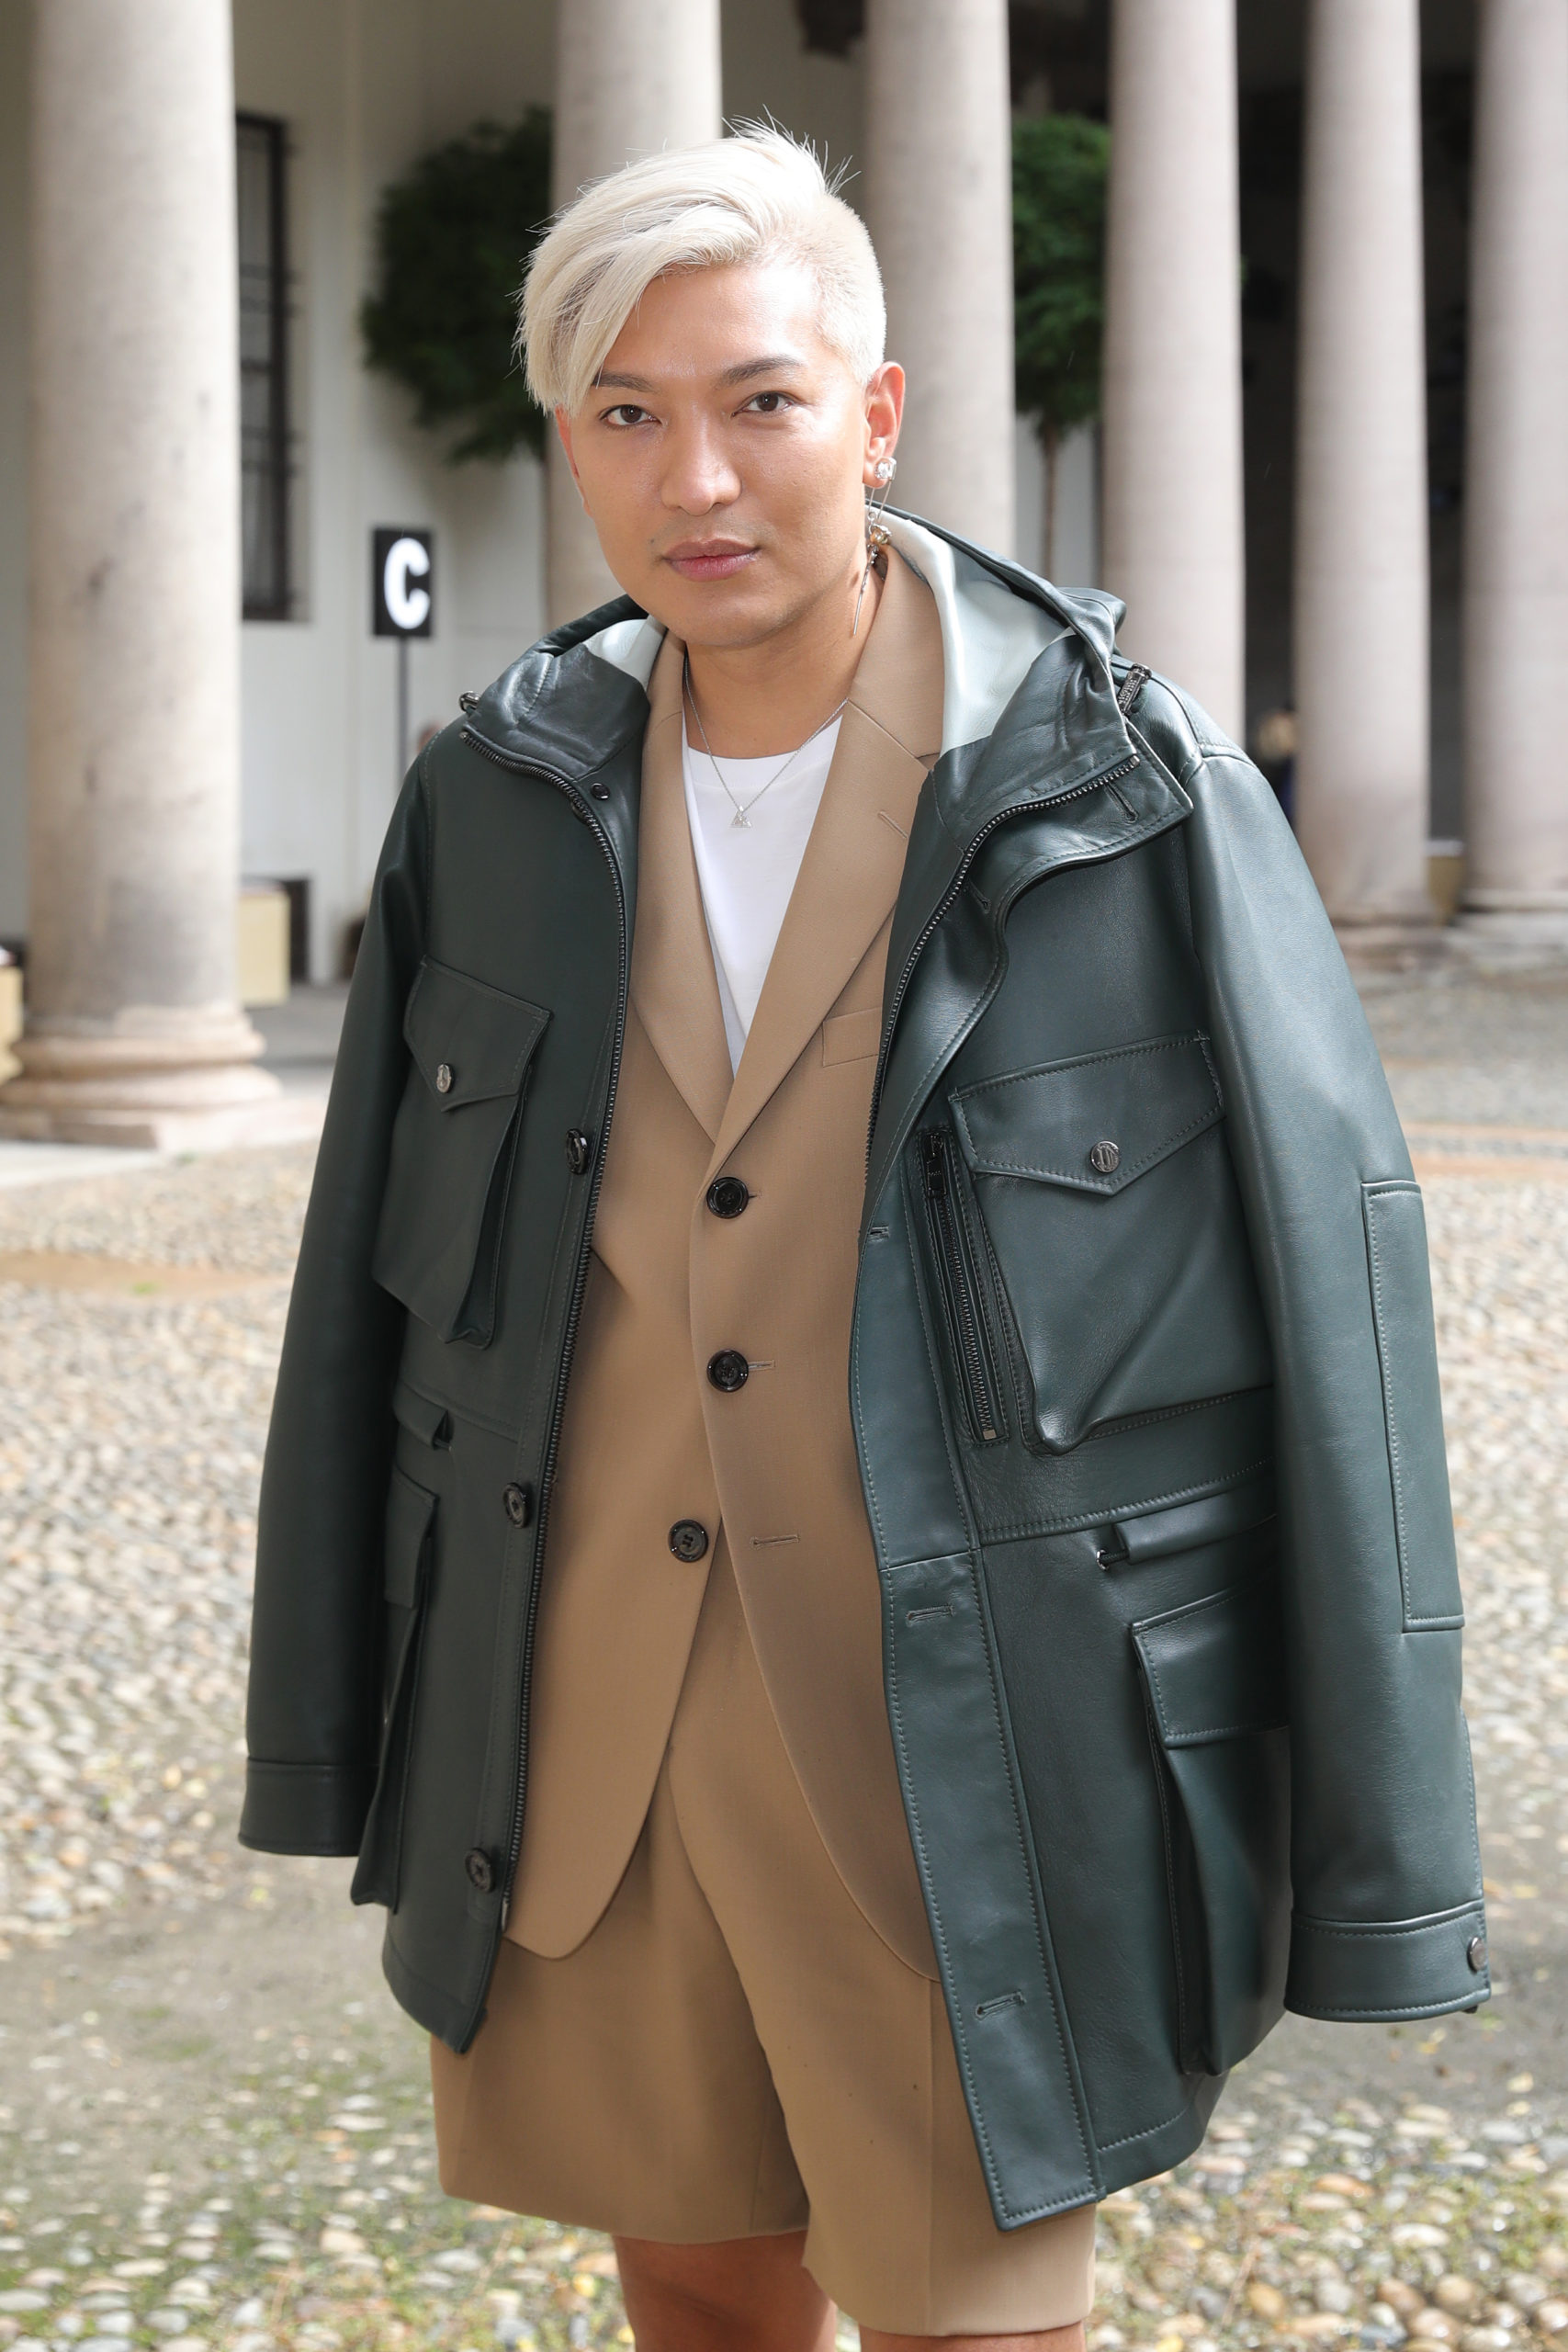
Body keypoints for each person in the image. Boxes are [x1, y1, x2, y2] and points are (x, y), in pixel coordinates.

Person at [240, 129, 1487, 2352]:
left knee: (972, 2323)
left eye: (759, 401)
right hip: (581, 1724)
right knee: (693, 2294)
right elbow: (365, 1299)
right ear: (570, 446)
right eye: (626, 415)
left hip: (966, 1739)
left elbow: (1340, 1301)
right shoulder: (497, 797)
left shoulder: (1119, 788)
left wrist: (1380, 1857)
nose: (696, 478)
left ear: (877, 415)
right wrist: (336, 1731)